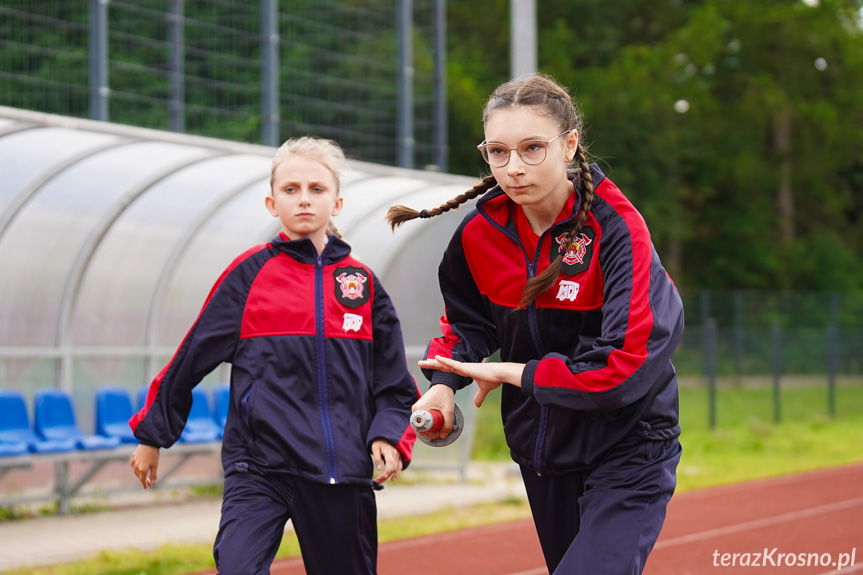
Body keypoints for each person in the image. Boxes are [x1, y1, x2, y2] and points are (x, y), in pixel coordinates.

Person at [387, 74, 684, 574]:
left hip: (629, 445)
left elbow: (626, 365)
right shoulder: (480, 232)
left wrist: (517, 373)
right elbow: (466, 322)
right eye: (498, 152)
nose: (514, 168)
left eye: (531, 149)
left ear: (569, 145)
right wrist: (444, 383)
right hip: (543, 451)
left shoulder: (618, 229)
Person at [129, 136, 418, 575]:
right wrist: (153, 435)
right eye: (291, 189)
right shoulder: (248, 275)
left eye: (317, 189)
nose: (304, 199)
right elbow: (191, 357)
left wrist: (390, 438)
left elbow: (394, 384)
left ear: (337, 203)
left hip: (340, 471)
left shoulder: (363, 285)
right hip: (258, 466)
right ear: (272, 203)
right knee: (238, 567)